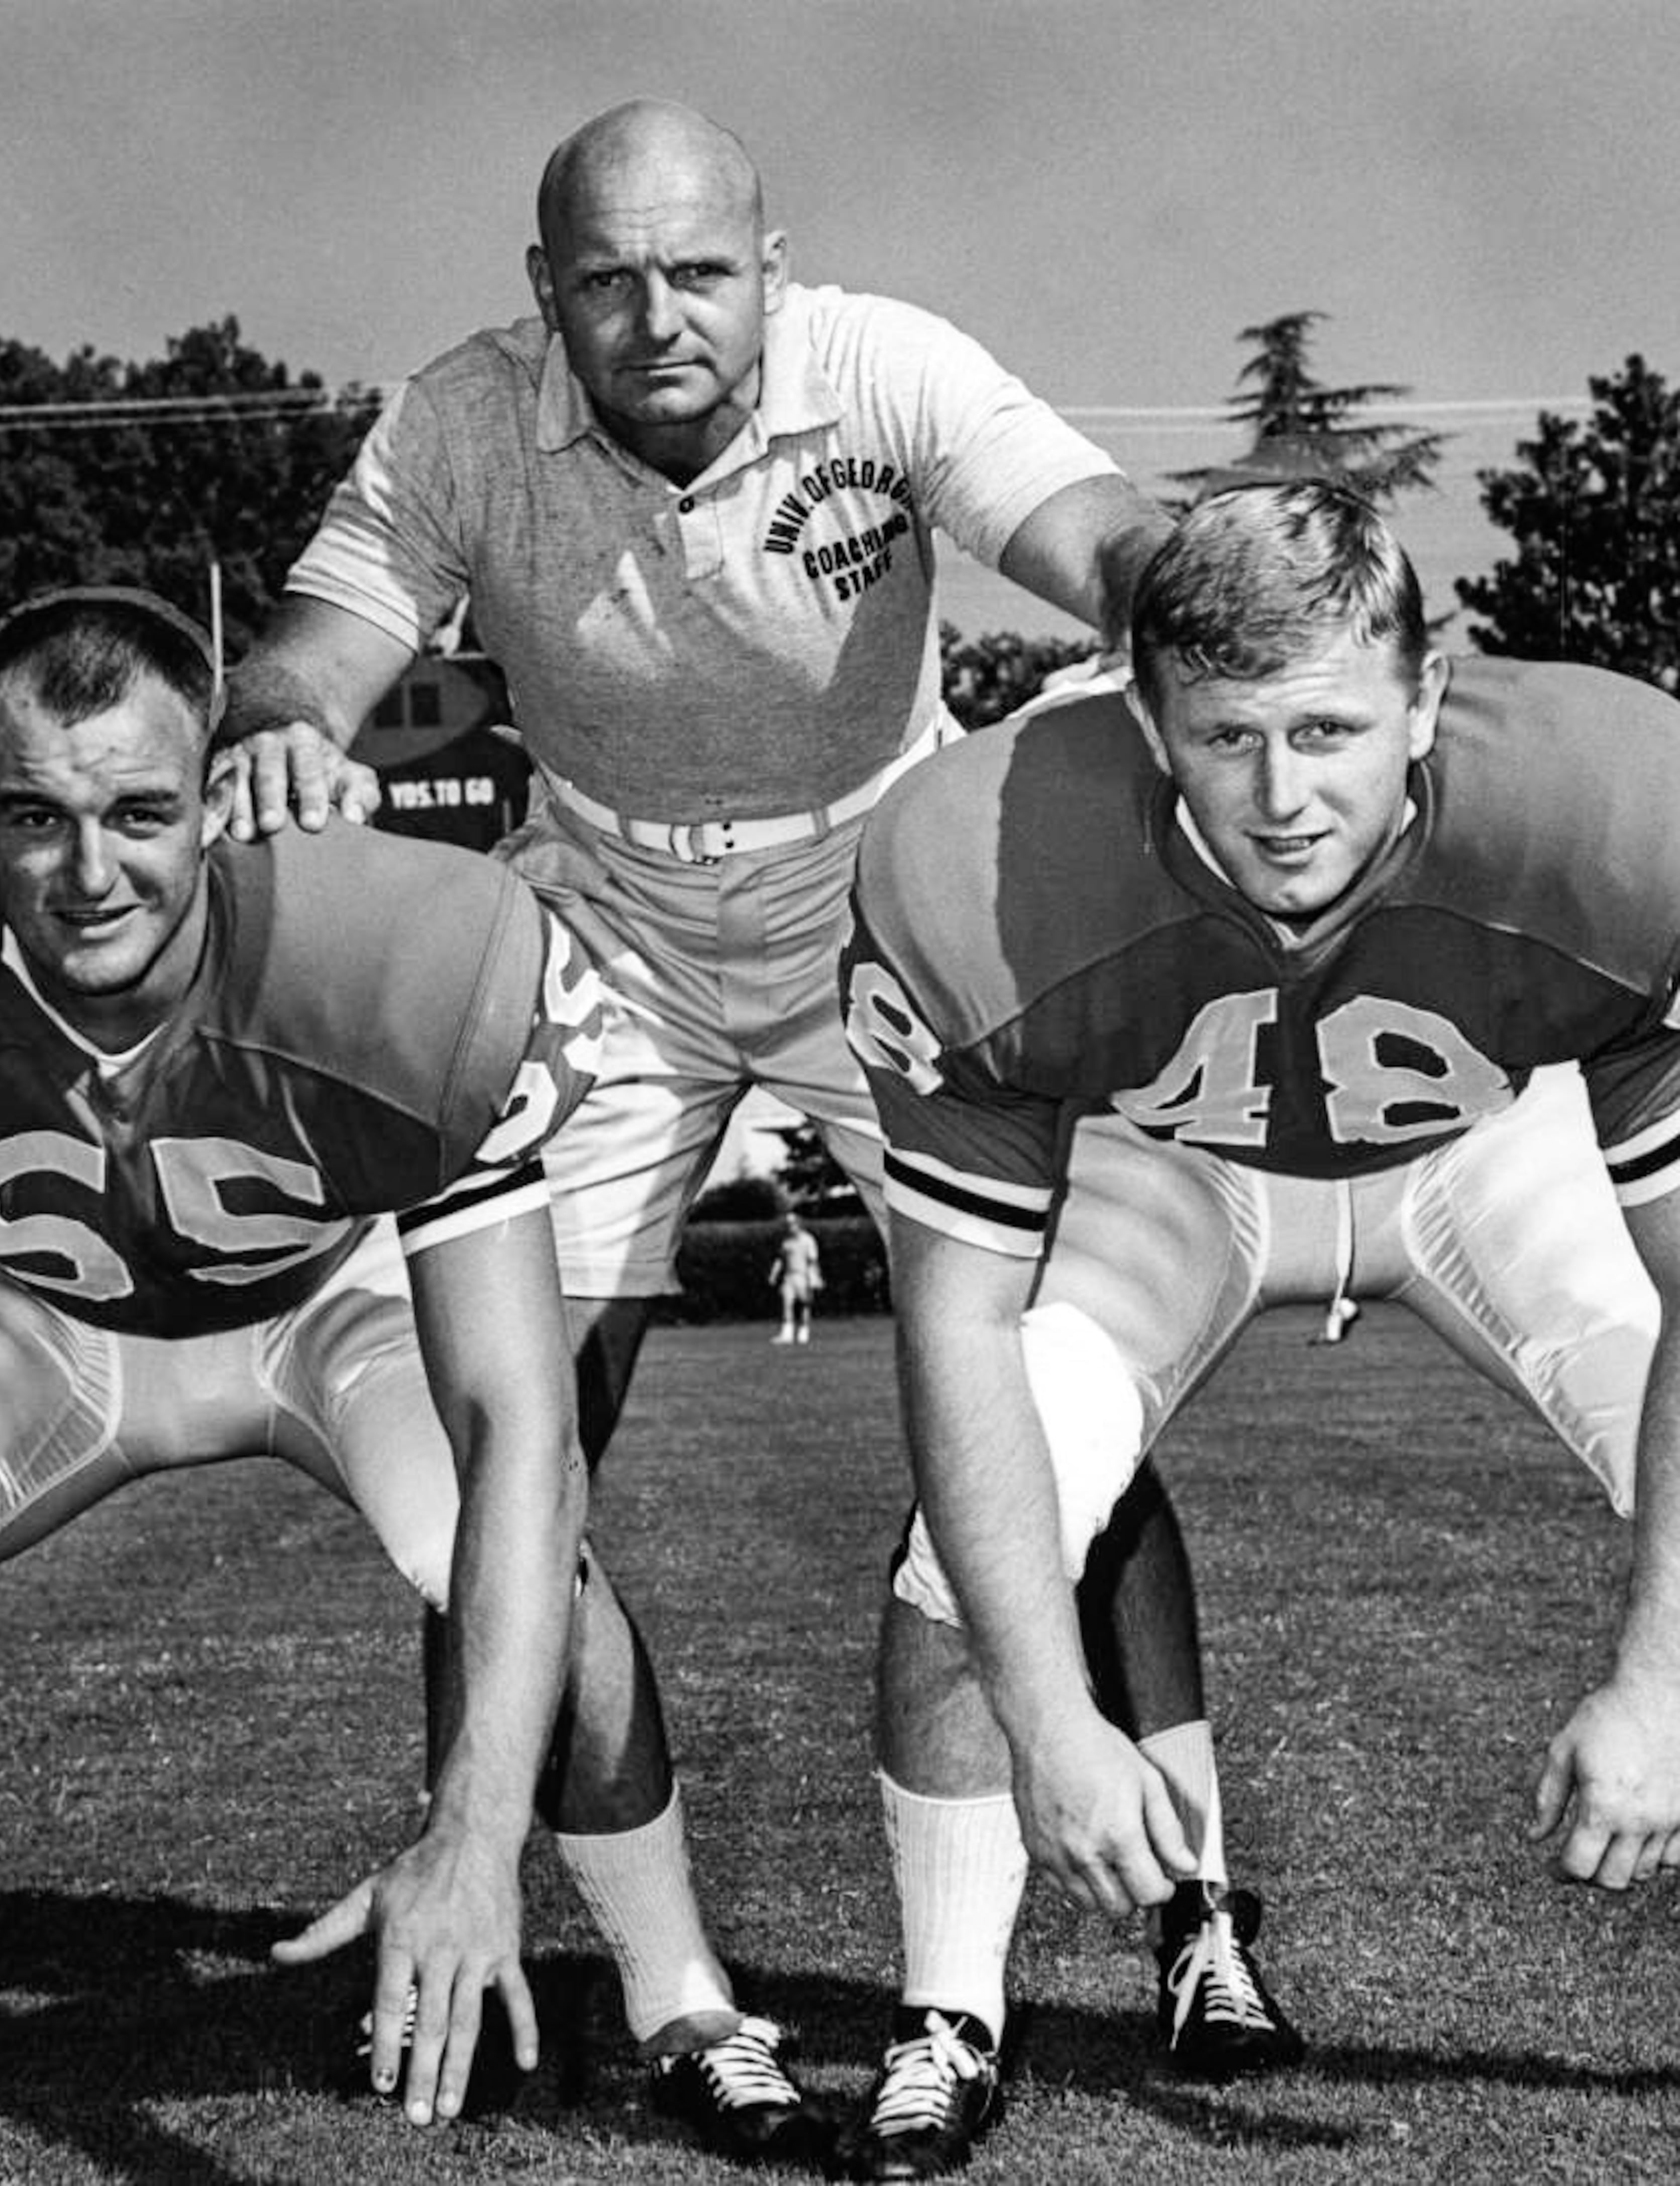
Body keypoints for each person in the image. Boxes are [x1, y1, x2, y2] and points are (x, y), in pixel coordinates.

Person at [219, 96, 1200, 2151]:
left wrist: (1194, 611)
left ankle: (1097, 1941)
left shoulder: (889, 365)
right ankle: (651, 1990)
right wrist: (288, 726)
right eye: (607, 279)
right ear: (542, 290)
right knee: (519, 1451)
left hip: (887, 889)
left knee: (1035, 1386)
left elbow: (1087, 529)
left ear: (776, 261)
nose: (659, 316)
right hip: (610, 922)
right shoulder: (462, 422)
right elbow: (314, 647)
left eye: (700, 271)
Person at [833, 478, 1680, 2177]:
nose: (1286, 796)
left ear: (1431, 699)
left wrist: (1662, 1683)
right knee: (963, 1568)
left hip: (1484, 1156)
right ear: (1144, 719)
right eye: (1228, 737)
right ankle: (948, 2011)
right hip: (1180, 1172)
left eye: (1331, 729)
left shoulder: (1621, 809)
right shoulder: (977, 866)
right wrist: (1056, 1719)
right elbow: (959, 1331)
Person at [0, 586, 648, 2142]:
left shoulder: (397, 945)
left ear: (218, 800)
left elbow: (518, 1419)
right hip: (36, 1312)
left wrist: (473, 1832)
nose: (90, 872)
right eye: (33, 815)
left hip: (324, 1299)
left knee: (532, 1580)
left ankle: (681, 1993)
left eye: (140, 812)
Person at [769, 1211, 823, 1344]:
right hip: (789, 1277)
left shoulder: (808, 1240)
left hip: (803, 1277)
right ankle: (787, 1335)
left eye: (792, 1224)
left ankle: (803, 1334)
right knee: (787, 1305)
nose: (790, 1227)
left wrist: (816, 1278)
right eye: (788, 1224)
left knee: (805, 1305)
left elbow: (813, 1261)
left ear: (799, 1224)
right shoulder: (787, 1242)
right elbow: (780, 1259)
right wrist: (774, 1275)